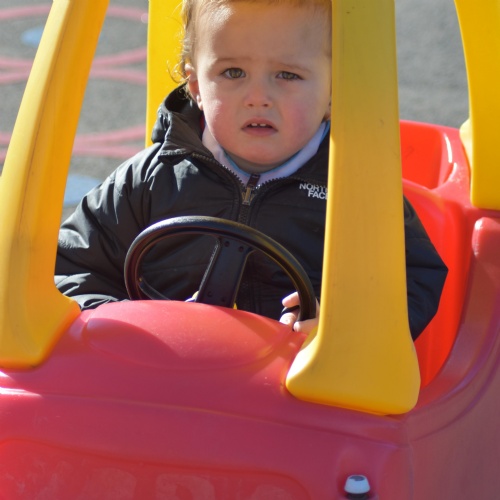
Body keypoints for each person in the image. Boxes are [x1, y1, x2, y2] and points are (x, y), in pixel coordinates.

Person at [55, 0, 447, 340]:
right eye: (233, 73)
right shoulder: (150, 179)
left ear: (333, 91)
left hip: (298, 386)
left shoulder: (354, 187)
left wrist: (343, 327)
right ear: (196, 85)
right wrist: (118, 327)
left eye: (287, 75)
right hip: (163, 378)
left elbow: (412, 279)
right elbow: (70, 266)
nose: (258, 97)